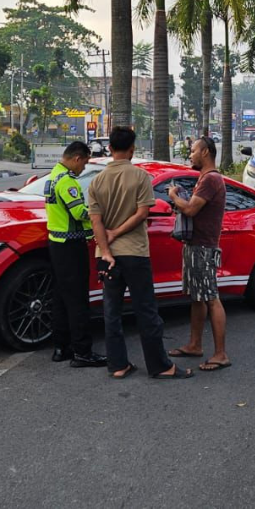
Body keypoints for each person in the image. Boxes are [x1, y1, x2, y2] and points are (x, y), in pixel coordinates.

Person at [88, 126, 192, 380]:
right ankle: (160, 366)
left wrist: (106, 247)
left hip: (107, 257)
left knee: (111, 312)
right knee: (145, 310)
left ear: (110, 148)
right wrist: (117, 233)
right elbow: (142, 213)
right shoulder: (139, 176)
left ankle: (118, 365)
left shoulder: (96, 181)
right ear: (132, 150)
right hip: (135, 253)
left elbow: (95, 221)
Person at [166, 136, 231, 372]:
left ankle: (221, 354)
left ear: (205, 152)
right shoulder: (206, 178)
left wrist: (174, 196)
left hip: (203, 248)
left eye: (193, 150)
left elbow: (191, 209)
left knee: (211, 298)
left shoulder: (211, 179)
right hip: (196, 246)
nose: (190, 154)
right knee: (197, 297)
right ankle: (195, 345)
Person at [44, 141, 108, 368]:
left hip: (57, 244)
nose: (84, 168)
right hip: (71, 247)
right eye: (85, 163)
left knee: (61, 298)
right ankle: (82, 352)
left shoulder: (53, 176)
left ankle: (61, 348)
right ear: (77, 158)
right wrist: (99, 213)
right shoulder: (67, 182)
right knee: (78, 300)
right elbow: (79, 212)